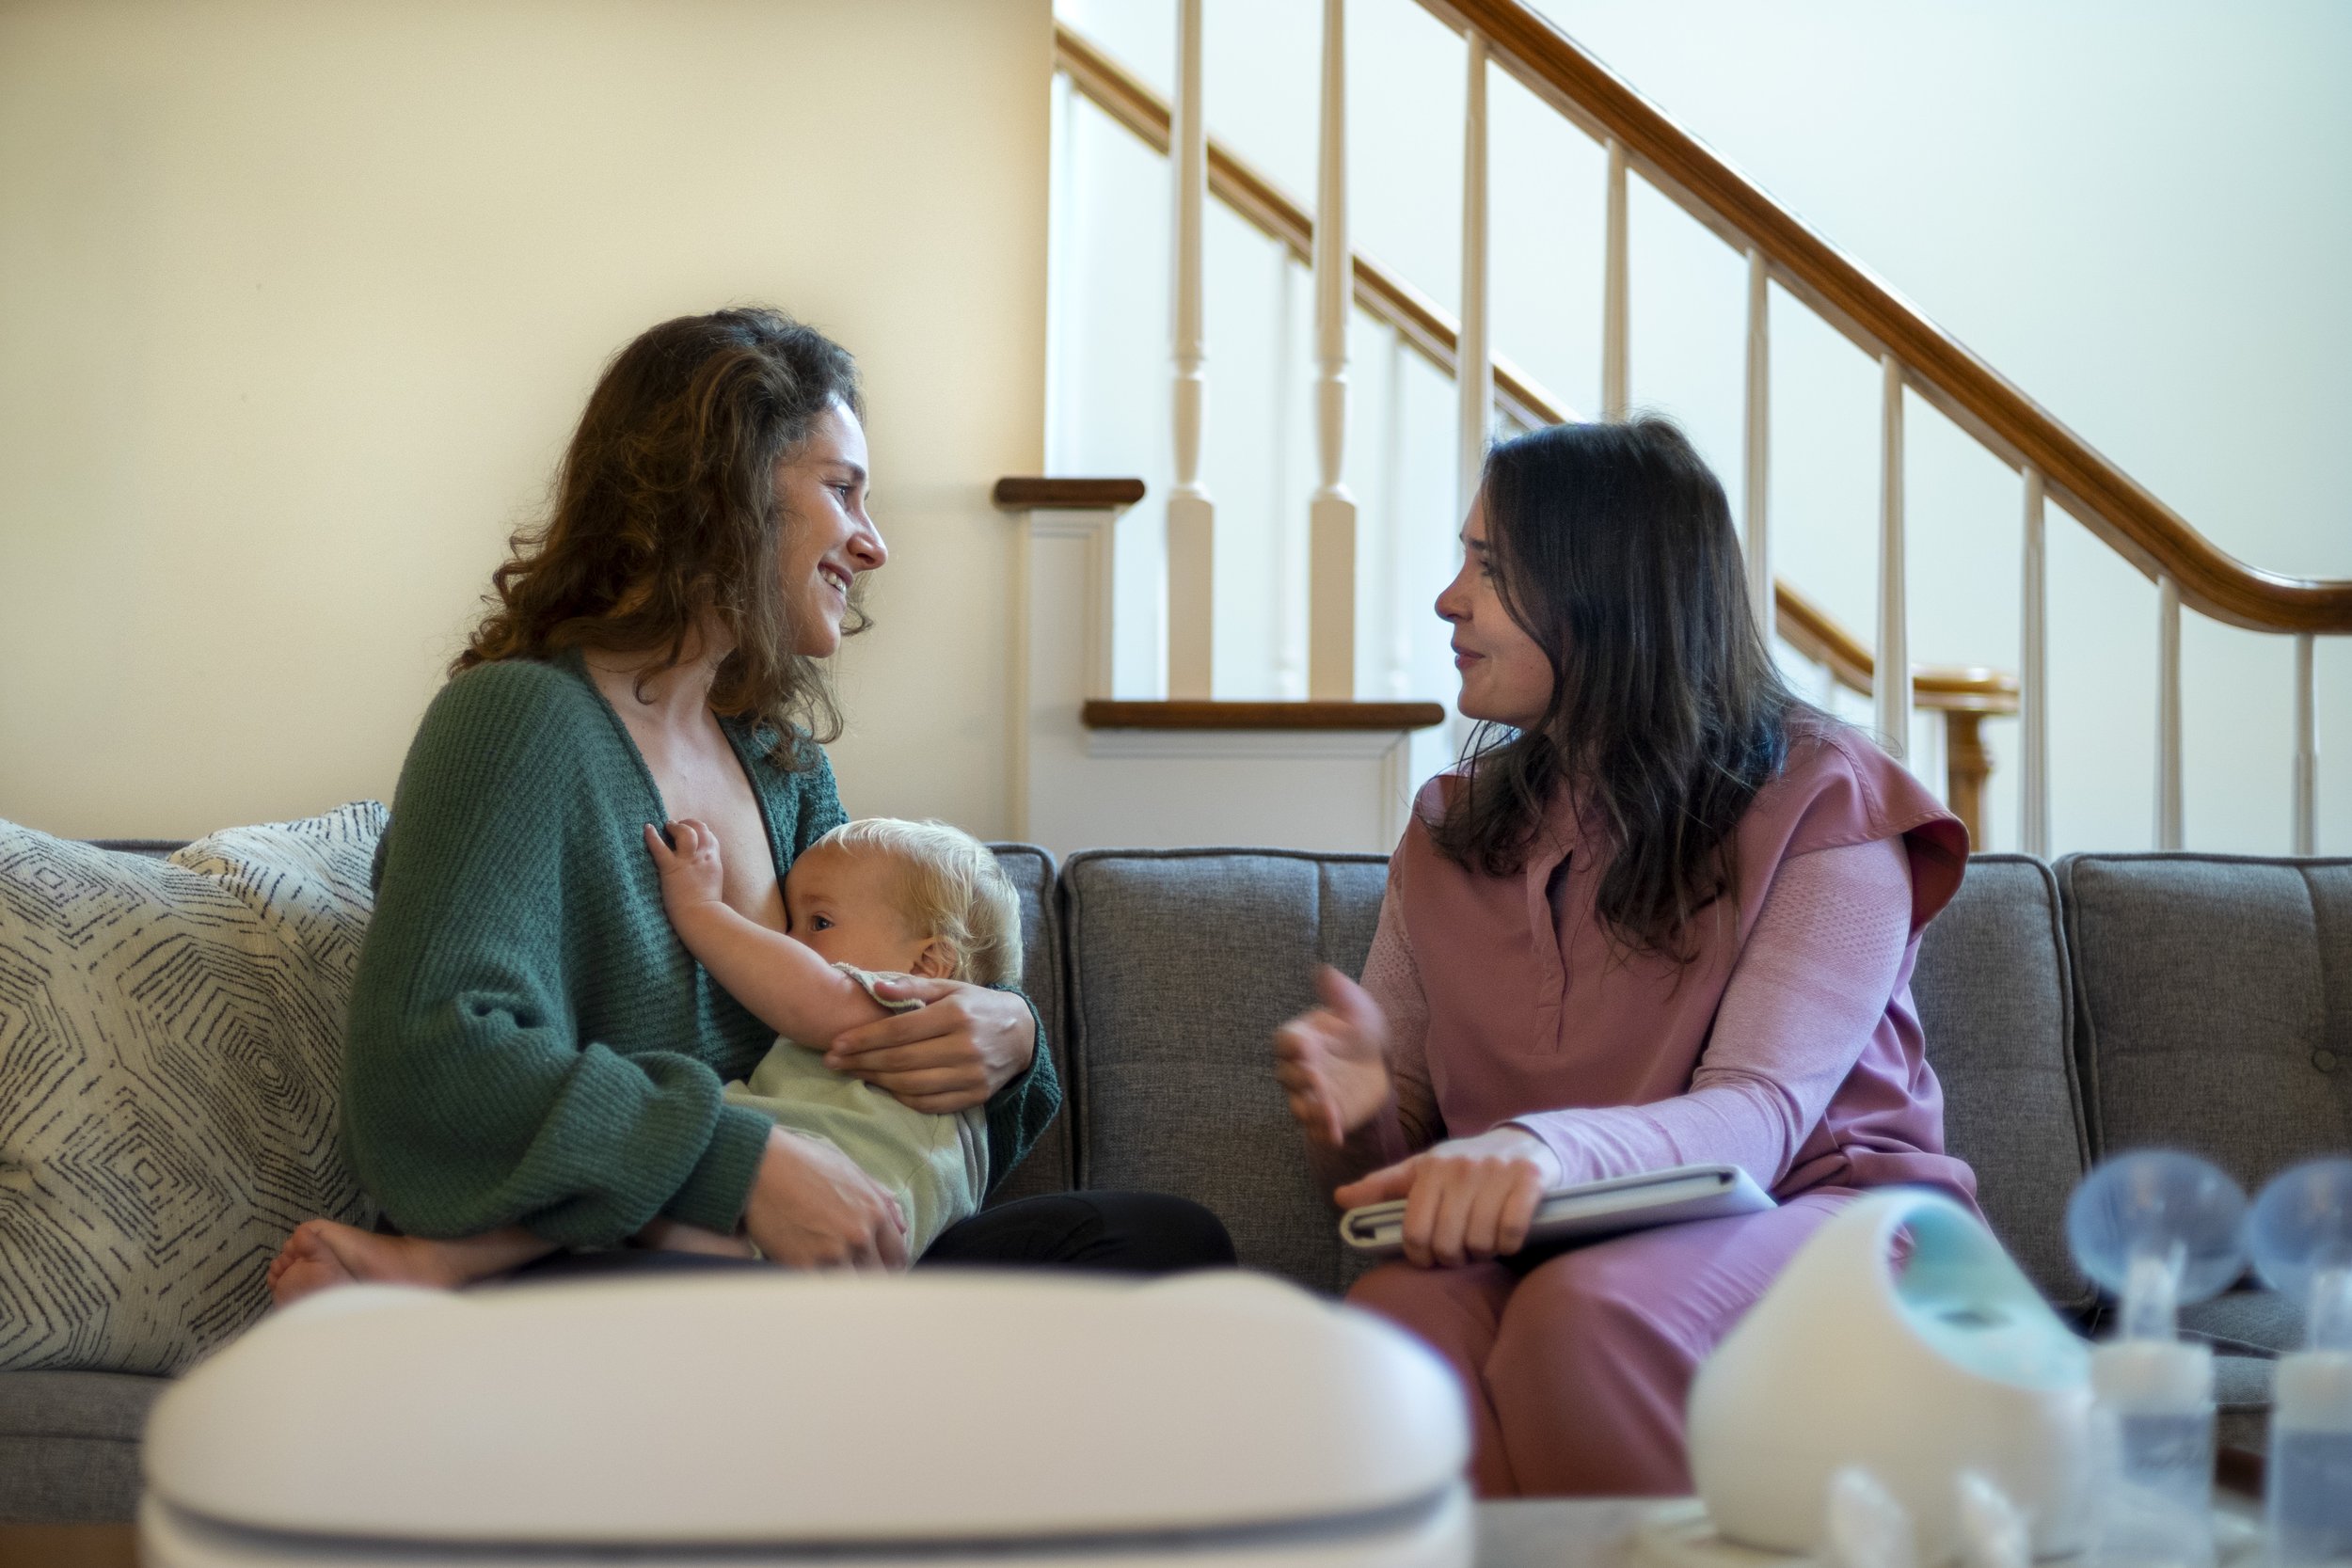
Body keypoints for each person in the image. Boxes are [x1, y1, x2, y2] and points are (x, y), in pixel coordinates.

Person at [324, 307, 1232, 1279]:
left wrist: (1008, 1030)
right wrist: (739, 1163)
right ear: (725, 488)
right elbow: (431, 1067)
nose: (873, 544)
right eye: (843, 490)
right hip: (616, 1255)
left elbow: (865, 1024)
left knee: (1164, 1241)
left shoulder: (778, 760)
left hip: (798, 1252)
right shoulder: (516, 721)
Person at [1270, 417, 1974, 1497]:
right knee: (1398, 1323)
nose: (1448, 597)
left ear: (1611, 588)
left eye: (1491, 567)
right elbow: (1388, 1180)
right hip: (1563, 1238)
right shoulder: (1450, 827)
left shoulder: (1830, 800)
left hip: (1827, 1219)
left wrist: (1537, 1151)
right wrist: (1363, 1114)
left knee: (1583, 1318)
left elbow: (1758, 1116)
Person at [270, 814, 1018, 1299]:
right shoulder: (945, 1068)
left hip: (828, 1217)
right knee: (622, 1203)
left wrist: (703, 910)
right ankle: (425, 1269)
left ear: (932, 962)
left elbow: (806, 996)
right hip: (828, 1245)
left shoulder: (901, 1006)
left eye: (817, 922)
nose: (791, 940)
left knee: (615, 1199)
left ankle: (428, 1267)